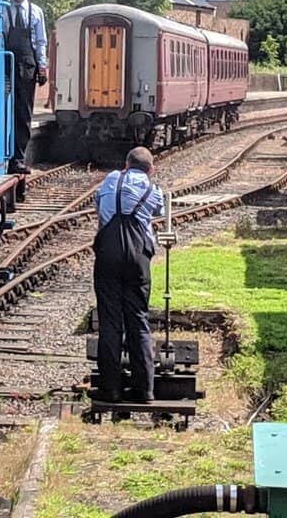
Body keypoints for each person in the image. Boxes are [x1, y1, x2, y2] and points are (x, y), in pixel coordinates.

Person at [91, 146, 165, 403]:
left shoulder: (111, 179)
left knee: (110, 321)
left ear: (125, 165)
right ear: (150, 169)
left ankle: (110, 388)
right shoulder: (152, 189)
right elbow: (159, 212)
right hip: (138, 258)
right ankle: (144, 389)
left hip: (108, 255)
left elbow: (97, 204)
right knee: (138, 320)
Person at [2, 0, 48, 174]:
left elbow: (40, 42)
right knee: (4, 110)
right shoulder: (3, 10)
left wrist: (42, 66)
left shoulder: (35, 12)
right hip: (5, 64)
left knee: (24, 114)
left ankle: (19, 158)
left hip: (27, 67)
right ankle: (2, 154)